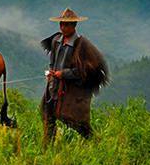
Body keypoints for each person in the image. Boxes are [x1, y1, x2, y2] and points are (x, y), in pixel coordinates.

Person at [41, 8, 109, 142]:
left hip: (71, 91)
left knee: (76, 123)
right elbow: (52, 62)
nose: (62, 27)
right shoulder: (56, 41)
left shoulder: (81, 46)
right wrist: (51, 73)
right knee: (47, 115)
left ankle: (96, 142)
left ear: (74, 25)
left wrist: (64, 73)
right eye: (61, 24)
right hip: (53, 87)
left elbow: (82, 71)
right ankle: (47, 149)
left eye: (66, 24)